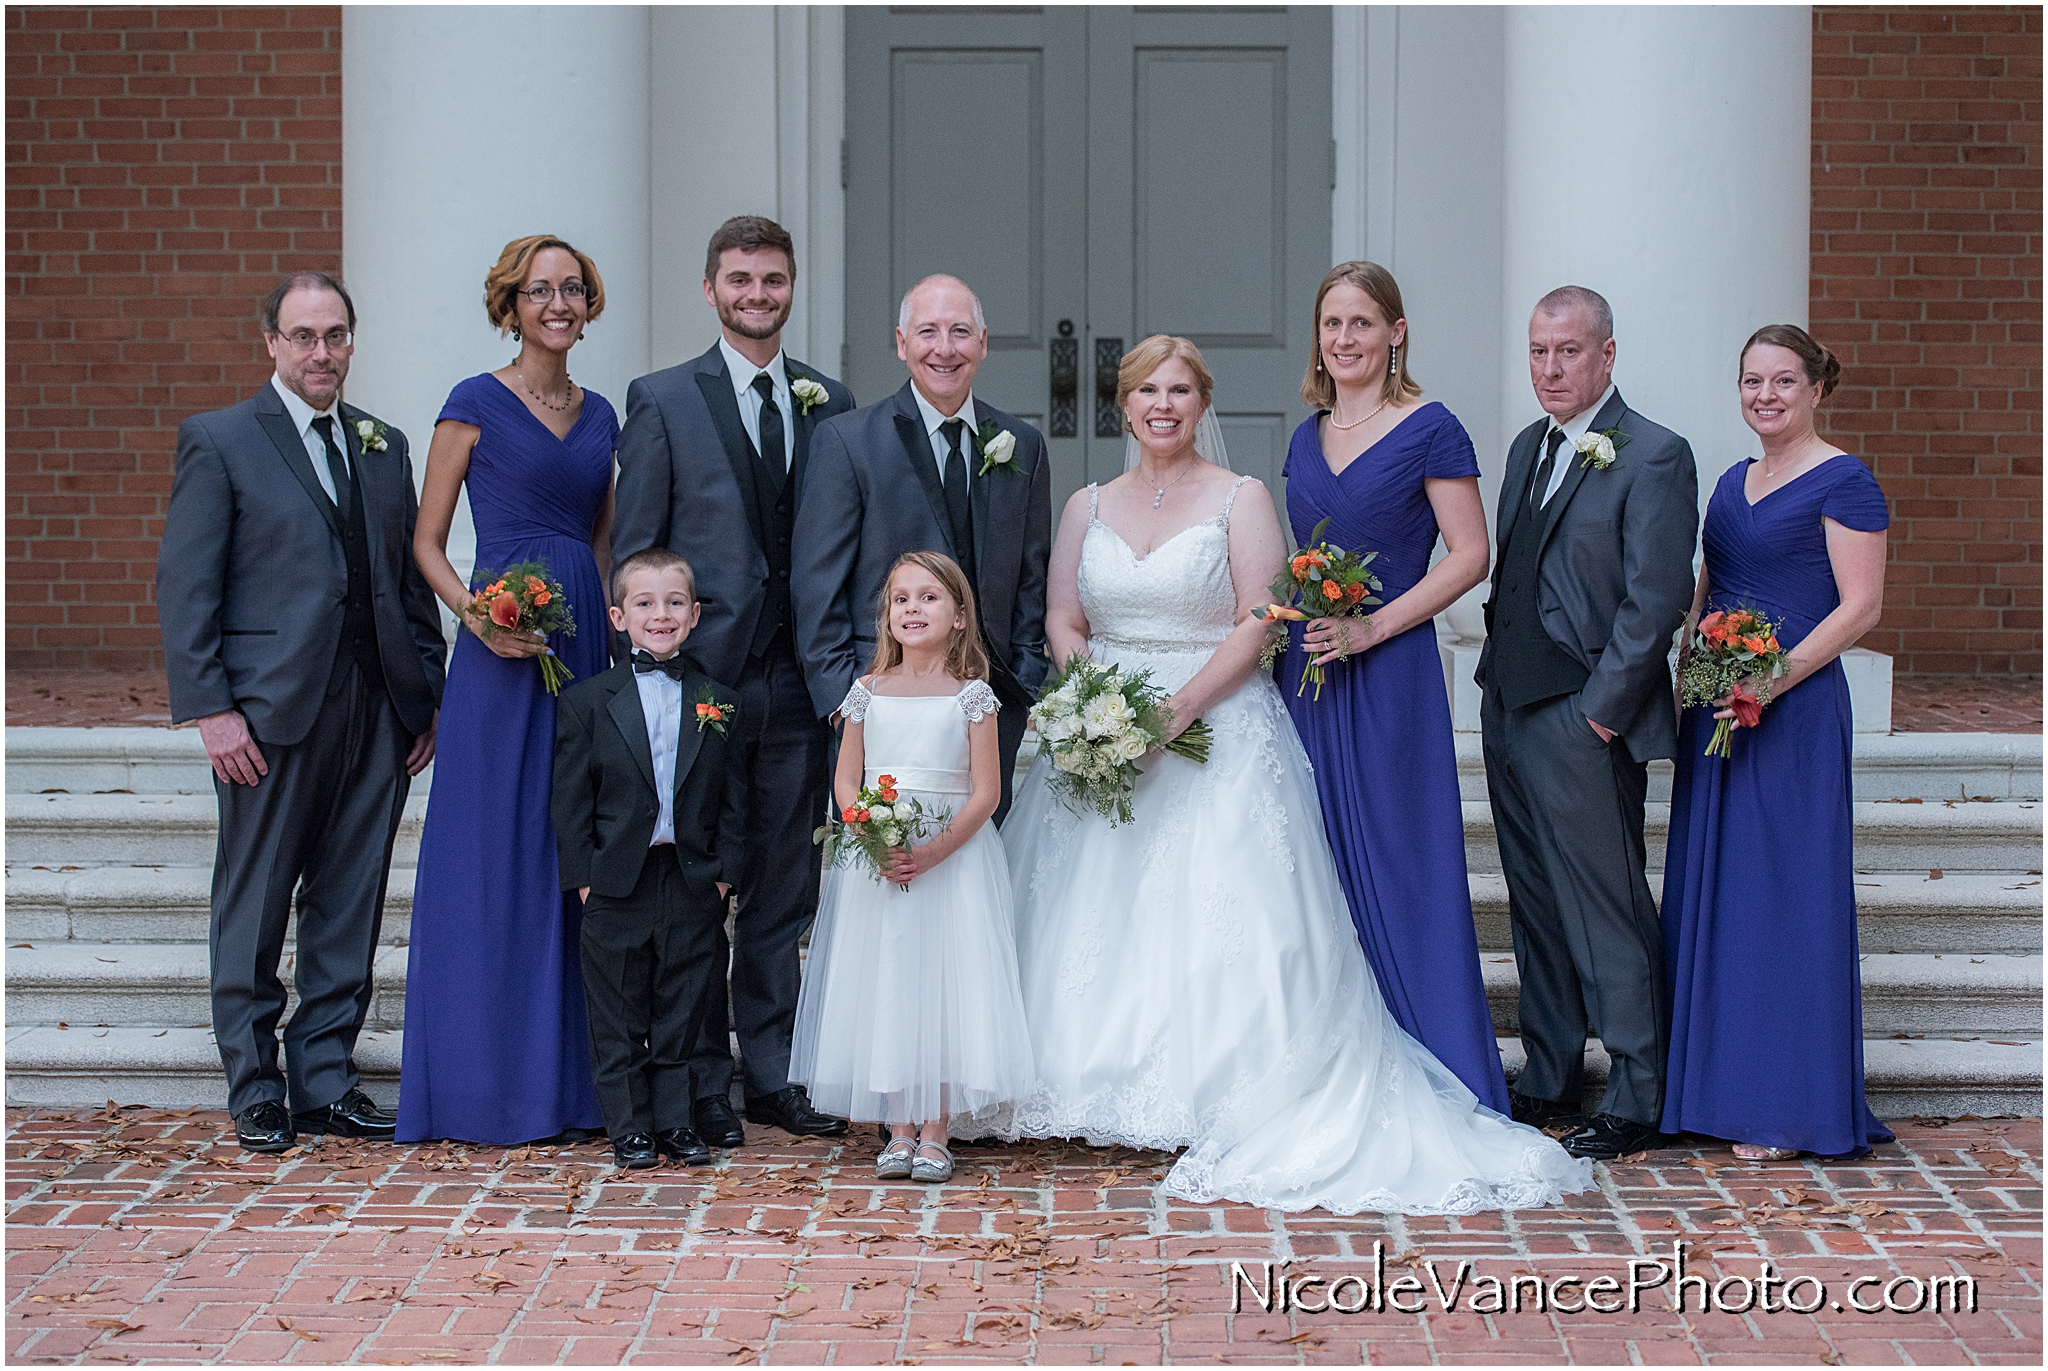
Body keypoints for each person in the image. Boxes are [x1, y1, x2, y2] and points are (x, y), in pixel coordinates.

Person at [1003, 335, 1591, 1215]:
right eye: (1145, 391)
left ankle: (1218, 1086)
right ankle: (1075, 1078)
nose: (1162, 405)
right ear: (1123, 406)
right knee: (1079, 913)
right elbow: (1062, 613)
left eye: (1180, 390)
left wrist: (1175, 711)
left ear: (1204, 404)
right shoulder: (1087, 504)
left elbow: (1259, 620)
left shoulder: (1241, 498)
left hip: (1212, 725)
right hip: (1103, 725)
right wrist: (1091, 692)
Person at [157, 271, 446, 1152]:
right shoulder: (221, 440)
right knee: (255, 901)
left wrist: (423, 696)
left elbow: (406, 582)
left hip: (377, 708)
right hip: (268, 713)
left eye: (336, 335)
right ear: (273, 345)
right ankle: (254, 1086)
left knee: (348, 900)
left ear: (353, 340)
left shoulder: (383, 443)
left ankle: (323, 1078)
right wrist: (212, 708)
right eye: (304, 336)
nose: (322, 352)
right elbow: (185, 584)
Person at [611, 215, 856, 1148]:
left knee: (784, 886)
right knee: (700, 879)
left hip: (797, 679)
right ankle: (702, 1082)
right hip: (701, 677)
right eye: (740, 280)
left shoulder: (830, 403)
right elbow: (636, 547)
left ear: (793, 287)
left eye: (773, 280)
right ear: (710, 289)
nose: (758, 295)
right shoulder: (664, 398)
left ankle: (772, 1071)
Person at [396, 235, 617, 1146]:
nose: (557, 303)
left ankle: (566, 1085)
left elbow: (599, 545)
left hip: (583, 647)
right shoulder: (472, 404)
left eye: (571, 289)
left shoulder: (603, 413)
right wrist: (476, 618)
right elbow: (425, 539)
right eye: (539, 291)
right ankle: (483, 1087)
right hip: (497, 650)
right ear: (511, 305)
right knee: (494, 854)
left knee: (571, 851)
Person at [1476, 286, 1698, 1161]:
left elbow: (1656, 600)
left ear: (1608, 355)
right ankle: (1551, 1070)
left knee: (1606, 902)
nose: (1551, 368)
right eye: (1538, 351)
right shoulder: (1531, 445)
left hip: (1583, 715)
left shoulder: (1654, 454)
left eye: (1568, 351)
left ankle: (1640, 1089)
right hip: (1510, 704)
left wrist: (1601, 715)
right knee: (1534, 899)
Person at [1660, 326, 1892, 1161]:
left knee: (1784, 898)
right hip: (1718, 712)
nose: (1765, 395)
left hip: (1790, 715)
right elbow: (1709, 586)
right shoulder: (1732, 480)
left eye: (1783, 381)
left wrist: (1770, 679)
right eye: (1752, 380)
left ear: (1816, 388)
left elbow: (1860, 607)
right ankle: (1712, 1091)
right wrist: (1694, 669)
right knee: (1720, 896)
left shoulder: (1845, 481)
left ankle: (1786, 1105)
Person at [1279, 262, 1506, 1113]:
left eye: (1363, 323)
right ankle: (1329, 1064)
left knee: (1404, 859)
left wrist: (1374, 626)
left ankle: (1433, 1054)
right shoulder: (1306, 437)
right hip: (1308, 674)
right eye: (1332, 324)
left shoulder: (1432, 428)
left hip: (1392, 669)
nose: (1345, 340)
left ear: (1396, 332)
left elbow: (1471, 553)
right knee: (1315, 861)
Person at [790, 552, 1035, 1184]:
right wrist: (870, 832)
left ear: (959, 616)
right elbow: (847, 779)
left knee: (945, 979)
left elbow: (987, 792)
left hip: (951, 861)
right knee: (890, 978)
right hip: (878, 859)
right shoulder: (866, 693)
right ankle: (897, 1127)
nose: (913, 609)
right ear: (887, 615)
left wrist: (931, 851)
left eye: (928, 598)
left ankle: (936, 1130)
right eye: (901, 599)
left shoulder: (973, 698)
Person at [793, 274, 1053, 825]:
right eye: (928, 331)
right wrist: (848, 702)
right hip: (884, 708)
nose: (944, 348)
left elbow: (1032, 577)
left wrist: (1022, 683)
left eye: (960, 332)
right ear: (901, 342)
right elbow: (817, 586)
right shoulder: (848, 441)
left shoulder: (1021, 444)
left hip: (989, 707)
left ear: (983, 343)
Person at [552, 549, 748, 1170]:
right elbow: (570, 801)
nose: (659, 615)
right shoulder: (587, 701)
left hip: (690, 877)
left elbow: (736, 801)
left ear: (693, 616)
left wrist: (724, 875)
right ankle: (629, 1126)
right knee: (616, 1006)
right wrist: (584, 880)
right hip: (615, 881)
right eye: (644, 603)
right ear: (618, 616)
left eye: (673, 603)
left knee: (682, 1006)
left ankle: (676, 1121)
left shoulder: (720, 700)